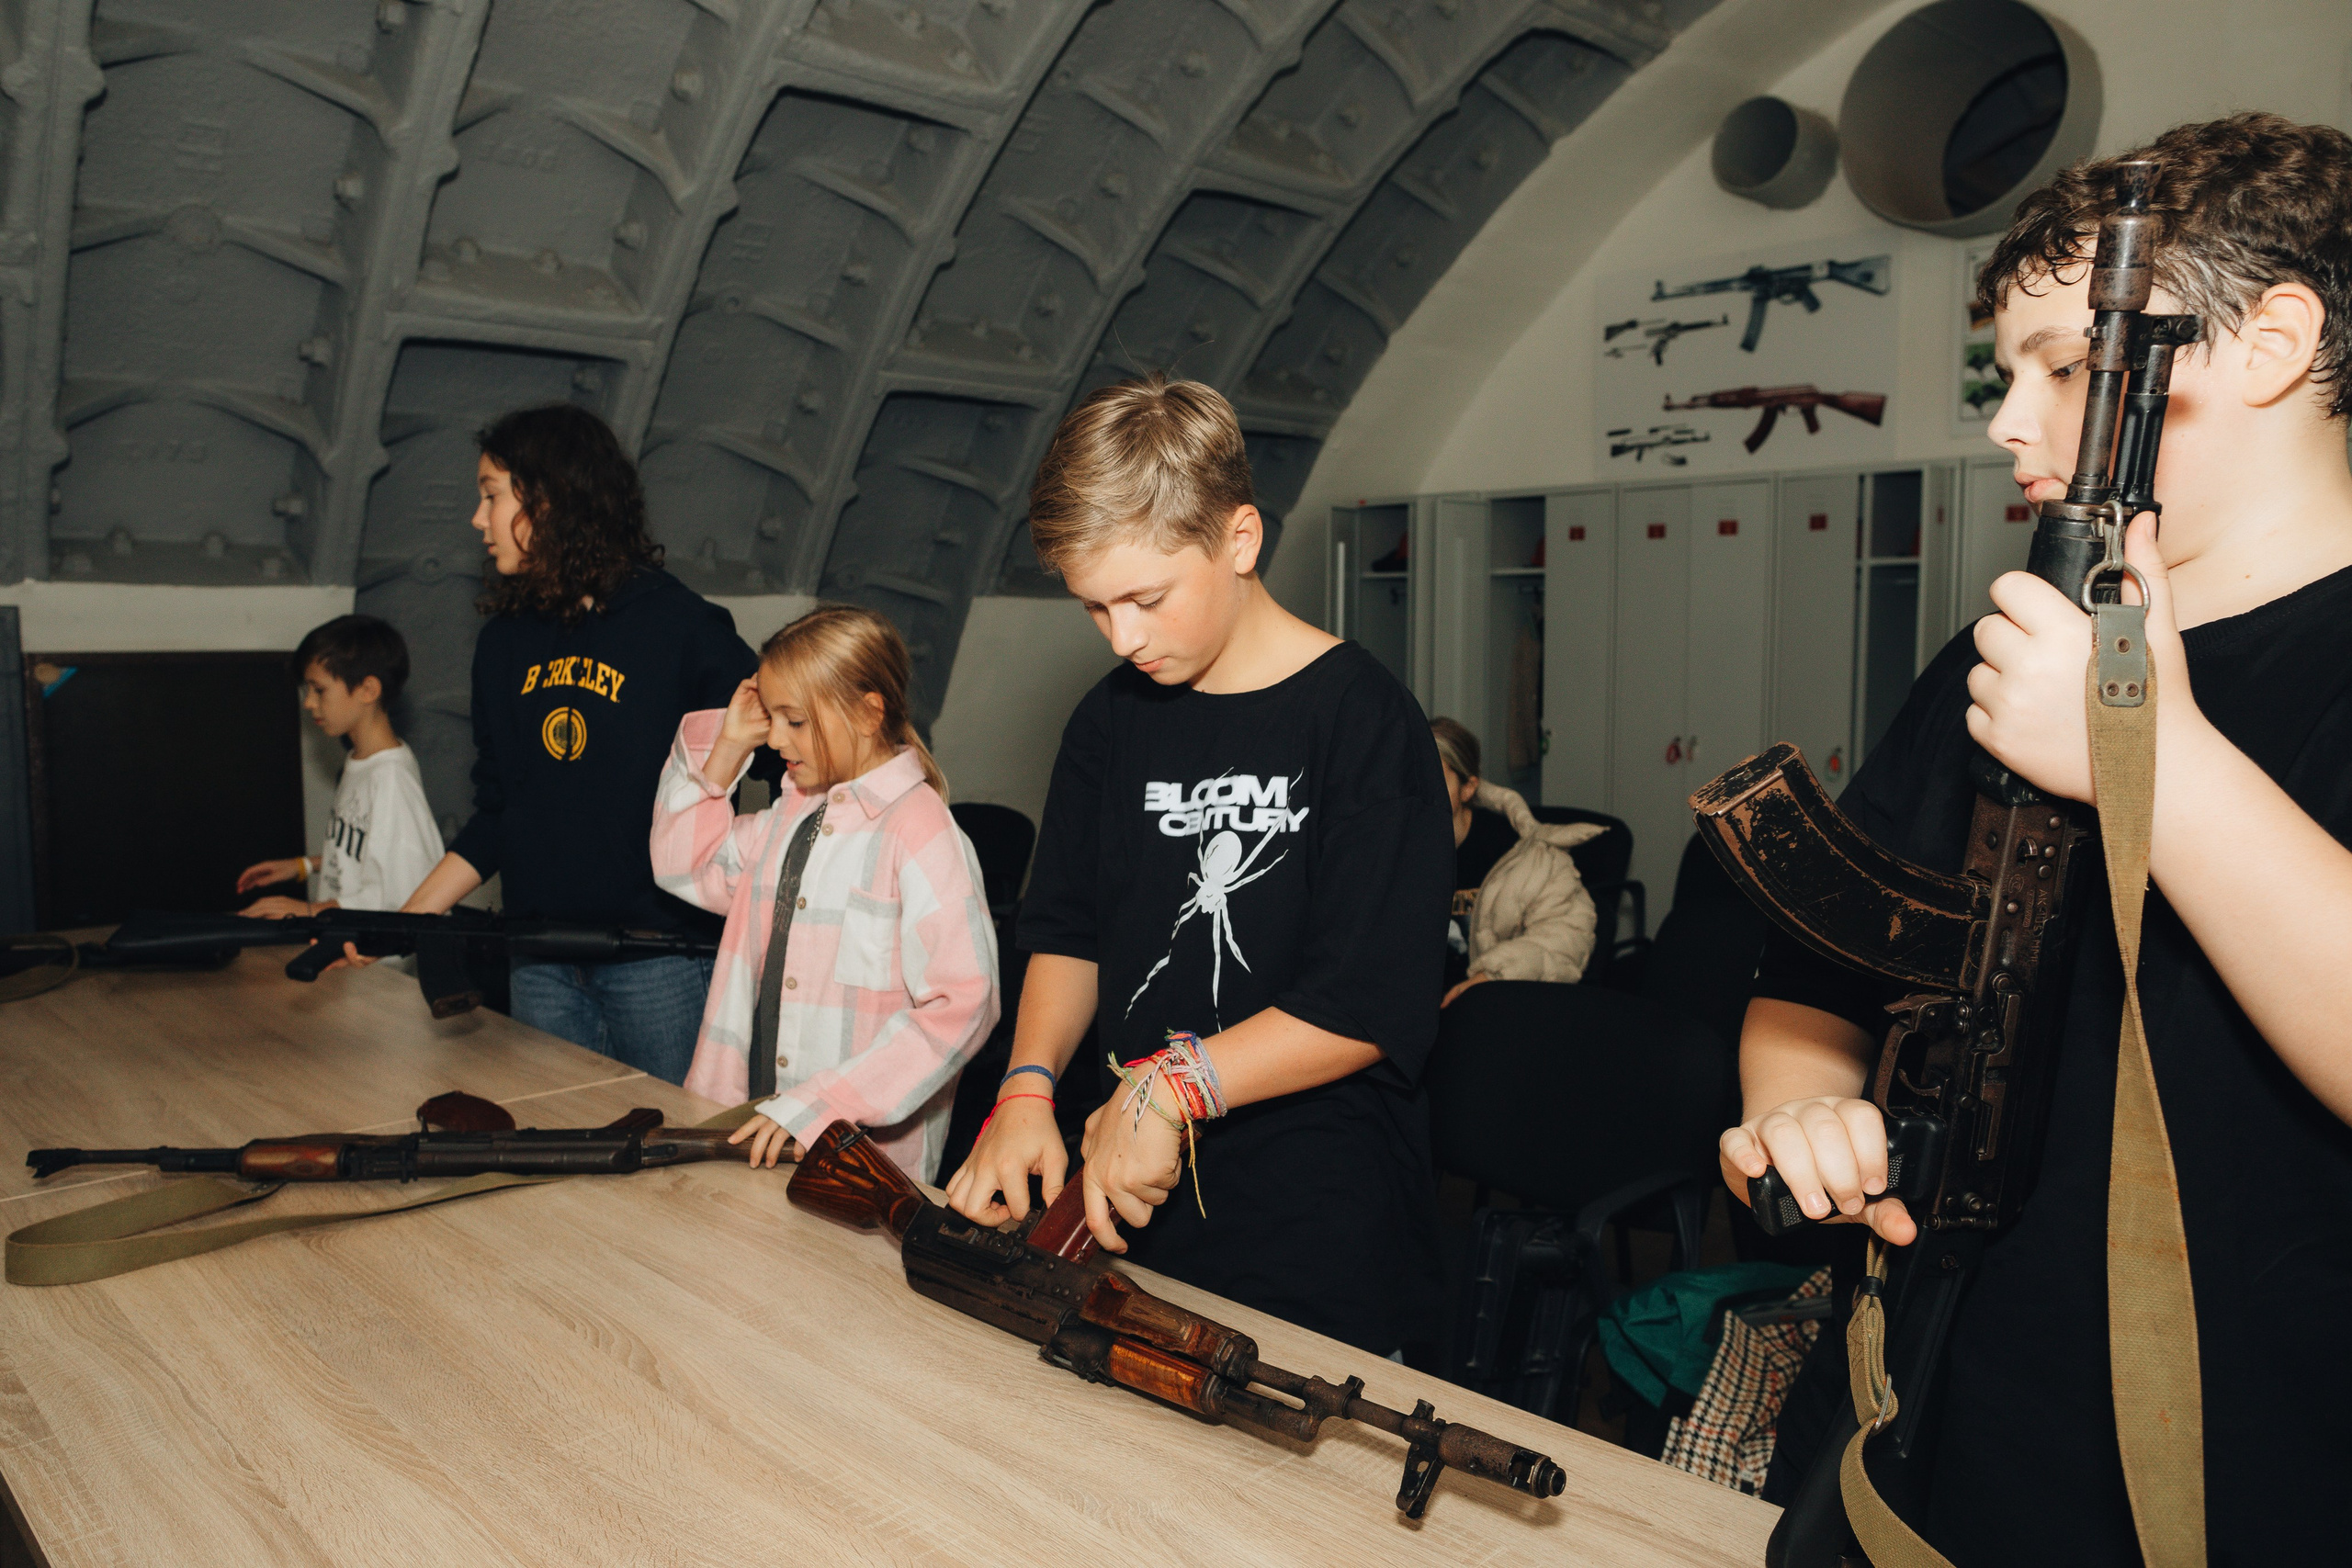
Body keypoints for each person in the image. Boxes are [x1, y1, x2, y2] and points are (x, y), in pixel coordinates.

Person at [1717, 114, 2352, 1562]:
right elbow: (1815, 975)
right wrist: (1804, 1102)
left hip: (2240, 1465)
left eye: (2063, 369)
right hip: (1916, 1411)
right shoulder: (2003, 650)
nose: (2009, 421)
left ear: (2272, 344)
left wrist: (2146, 753)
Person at [942, 375, 1453, 1358]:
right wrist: (1027, 1090)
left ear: (1240, 541)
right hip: (1127, 1187)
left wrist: (1166, 1087)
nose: (1124, 638)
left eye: (1145, 598)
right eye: (1095, 609)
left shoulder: (1361, 721)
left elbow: (1365, 1003)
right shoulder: (1109, 719)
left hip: (1309, 1209)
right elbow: (1067, 929)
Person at [356, 403, 771, 1084]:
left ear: (546, 499)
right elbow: (500, 813)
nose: (477, 518)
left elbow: (790, 759)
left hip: (661, 962)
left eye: (491, 494)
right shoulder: (503, 646)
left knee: (681, 1176)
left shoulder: (679, 626)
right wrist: (396, 926)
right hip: (538, 962)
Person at [650, 604, 999, 1181]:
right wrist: (728, 748)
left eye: (795, 720)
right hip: (734, 1131)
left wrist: (822, 1106)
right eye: (771, 718)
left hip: (853, 1164)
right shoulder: (788, 819)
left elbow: (965, 1005)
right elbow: (680, 863)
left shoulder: (920, 830)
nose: (776, 739)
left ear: (867, 714)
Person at [237, 615, 443, 917]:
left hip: (377, 960)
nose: (308, 703)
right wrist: (304, 866)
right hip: (345, 948)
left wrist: (309, 910)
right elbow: (371, 854)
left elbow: (402, 893)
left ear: (368, 691)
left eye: (319, 690)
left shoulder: (391, 778)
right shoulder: (363, 761)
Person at [1429, 716, 1602, 1005]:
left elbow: (1565, 939)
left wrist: (1489, 978)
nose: (1418, 793)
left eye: (1434, 778)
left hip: (1492, 1007)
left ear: (1468, 788)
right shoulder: (1384, 848)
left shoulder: (1524, 853)